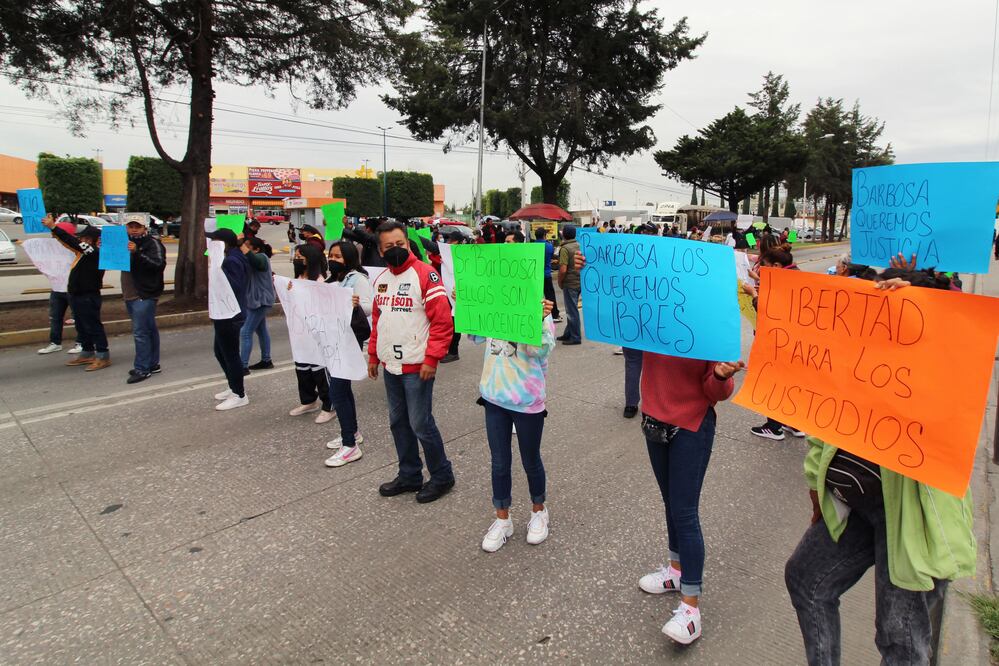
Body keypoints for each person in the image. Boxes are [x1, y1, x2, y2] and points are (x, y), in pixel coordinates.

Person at [786, 269, 973, 665]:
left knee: (899, 635)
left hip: (910, 517)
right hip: (856, 507)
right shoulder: (859, 353)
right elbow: (824, 423)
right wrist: (817, 490)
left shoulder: (932, 363)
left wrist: (932, 304)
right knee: (807, 579)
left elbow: (964, 342)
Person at [572, 252, 744, 644]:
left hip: (691, 427)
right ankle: (675, 571)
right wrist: (593, 269)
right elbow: (613, 303)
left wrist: (719, 375)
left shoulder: (705, 322)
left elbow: (717, 392)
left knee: (684, 512)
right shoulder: (648, 313)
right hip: (654, 422)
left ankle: (691, 608)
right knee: (670, 504)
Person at [368, 221, 455, 503]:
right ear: (380, 251)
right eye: (389, 247)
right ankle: (409, 475)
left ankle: (442, 476)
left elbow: (442, 323)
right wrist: (373, 354)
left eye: (400, 244)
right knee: (398, 422)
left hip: (418, 367)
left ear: (408, 243)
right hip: (390, 365)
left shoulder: (426, 275)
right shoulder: (381, 279)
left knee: (421, 424)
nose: (395, 250)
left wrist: (432, 358)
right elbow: (378, 320)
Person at [474, 299, 556, 552]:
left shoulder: (540, 307)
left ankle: (539, 510)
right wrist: (466, 303)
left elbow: (540, 350)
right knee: (499, 462)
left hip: (526, 398)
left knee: (530, 460)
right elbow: (475, 335)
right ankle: (502, 519)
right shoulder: (491, 300)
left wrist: (537, 318)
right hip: (494, 396)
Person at [323, 240, 373, 468]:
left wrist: (352, 304)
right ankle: (353, 432)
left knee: (338, 391)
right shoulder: (333, 279)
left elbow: (370, 306)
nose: (332, 260)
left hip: (348, 341)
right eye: (331, 256)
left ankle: (350, 445)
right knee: (341, 389)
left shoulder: (357, 279)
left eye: (338, 257)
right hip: (333, 340)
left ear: (349, 258)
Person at [749, 248, 803, 440]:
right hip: (794, 343)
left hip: (779, 343)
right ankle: (794, 424)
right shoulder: (795, 276)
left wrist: (754, 296)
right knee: (790, 383)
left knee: (774, 382)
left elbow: (770, 311)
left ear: (776, 266)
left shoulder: (784, 282)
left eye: (765, 266)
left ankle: (773, 427)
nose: (762, 269)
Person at [46, 219, 111, 371]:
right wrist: (54, 232)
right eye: (82, 238)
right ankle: (87, 352)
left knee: (93, 325)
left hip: (88, 295)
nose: (82, 241)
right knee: (82, 326)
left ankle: (103, 355)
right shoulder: (83, 253)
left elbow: (71, 241)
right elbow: (68, 243)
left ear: (95, 241)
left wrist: (54, 227)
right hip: (77, 294)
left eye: (86, 239)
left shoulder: (94, 252)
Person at [288, 243, 336, 423]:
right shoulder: (298, 279)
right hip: (300, 334)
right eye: (296, 256)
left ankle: (329, 405)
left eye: (301, 256)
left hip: (316, 335)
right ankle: (308, 400)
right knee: (302, 368)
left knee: (319, 370)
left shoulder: (319, 283)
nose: (297, 259)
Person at [207, 229, 250, 410]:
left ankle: (239, 394)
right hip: (223, 312)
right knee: (220, 351)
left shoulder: (231, 260)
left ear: (223, 243)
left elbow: (233, 286)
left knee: (230, 354)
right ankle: (233, 385)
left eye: (214, 241)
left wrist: (218, 269)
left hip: (230, 314)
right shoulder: (228, 257)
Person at [122, 215, 167, 384]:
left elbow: (158, 265)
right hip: (130, 293)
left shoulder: (152, 243)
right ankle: (152, 363)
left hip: (145, 294)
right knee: (148, 329)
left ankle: (142, 369)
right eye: (130, 226)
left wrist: (137, 253)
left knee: (140, 332)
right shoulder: (123, 243)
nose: (133, 229)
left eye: (137, 226)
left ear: (144, 228)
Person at [621, 223, 658, 417]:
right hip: (653, 321)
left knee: (634, 363)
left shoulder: (625, 260)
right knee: (656, 363)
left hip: (632, 321)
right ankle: (654, 403)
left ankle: (631, 403)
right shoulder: (663, 259)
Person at [36, 220, 83, 355]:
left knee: (79, 317)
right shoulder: (52, 249)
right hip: (57, 289)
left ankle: (81, 342)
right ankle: (55, 343)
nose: (54, 238)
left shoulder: (76, 248)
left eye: (56, 234)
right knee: (55, 317)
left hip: (73, 289)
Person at [240, 236, 276, 372]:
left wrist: (241, 245)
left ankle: (243, 366)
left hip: (261, 300)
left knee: (245, 331)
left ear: (256, 249)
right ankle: (266, 360)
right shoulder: (252, 258)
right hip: (257, 300)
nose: (245, 249)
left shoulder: (261, 257)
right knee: (261, 330)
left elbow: (255, 261)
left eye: (248, 246)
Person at [557, 225, 582, 345]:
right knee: (571, 310)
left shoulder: (565, 249)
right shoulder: (579, 245)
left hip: (570, 282)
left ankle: (575, 337)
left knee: (572, 311)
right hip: (579, 281)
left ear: (564, 235)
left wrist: (560, 282)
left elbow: (562, 270)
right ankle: (568, 333)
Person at [534, 227, 561, 323]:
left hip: (535, 276)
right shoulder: (549, 246)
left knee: (537, 296)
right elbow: (552, 256)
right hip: (546, 275)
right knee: (550, 296)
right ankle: (554, 314)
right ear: (544, 235)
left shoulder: (532, 246)